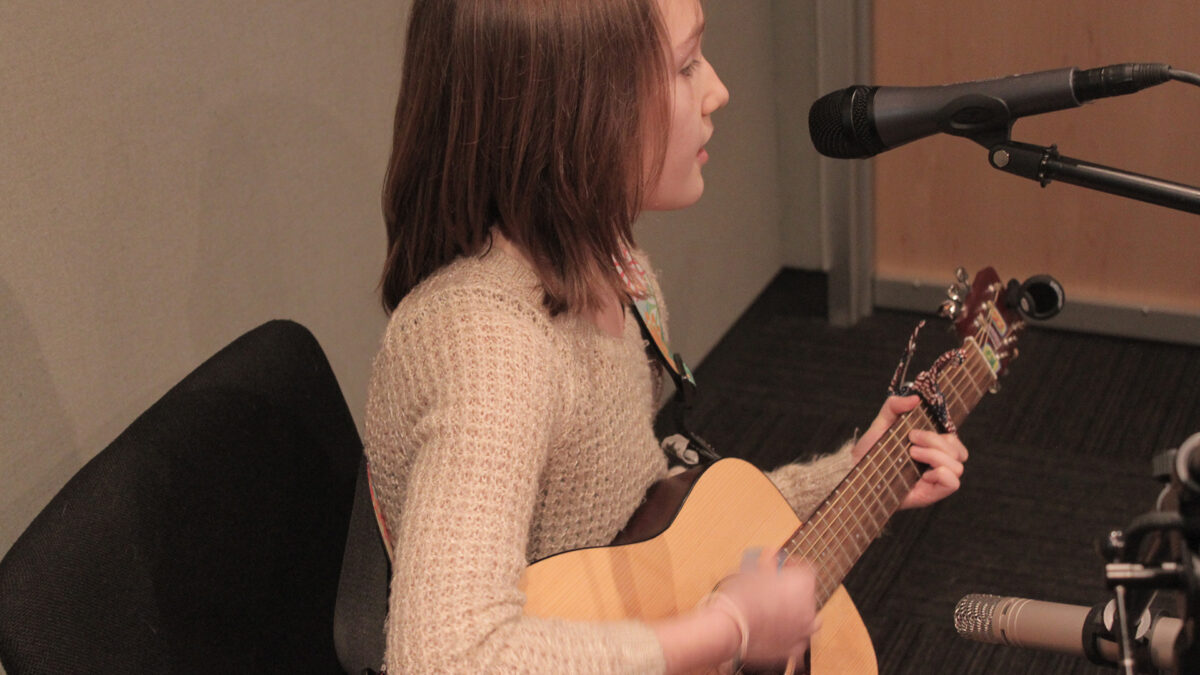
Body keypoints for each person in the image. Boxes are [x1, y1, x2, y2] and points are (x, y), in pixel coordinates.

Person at [363, 0, 969, 672]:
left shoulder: (616, 268)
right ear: (577, 104)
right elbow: (442, 656)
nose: (718, 90)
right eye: (686, 66)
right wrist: (729, 630)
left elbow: (651, 535)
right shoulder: (490, 347)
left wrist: (852, 476)